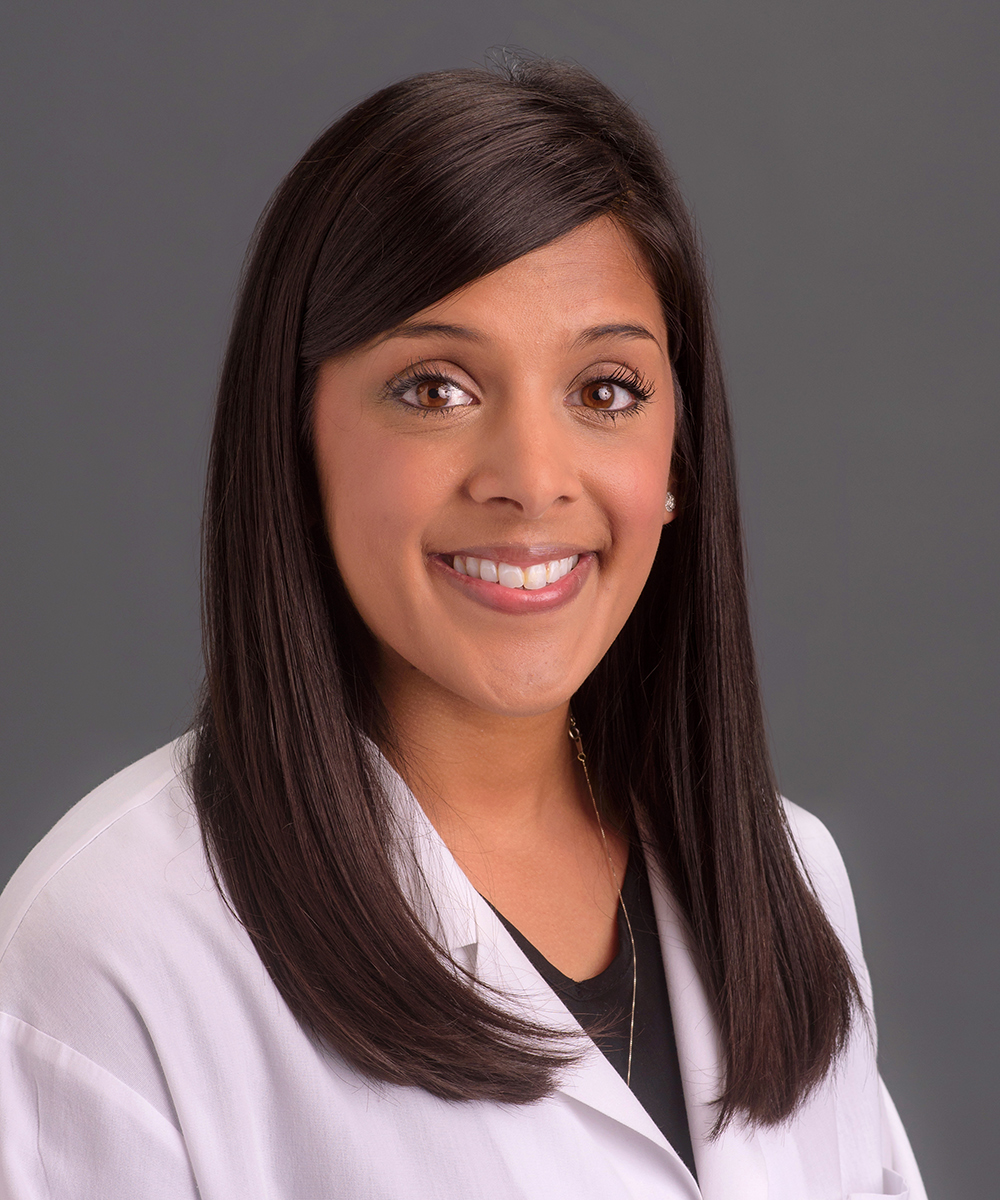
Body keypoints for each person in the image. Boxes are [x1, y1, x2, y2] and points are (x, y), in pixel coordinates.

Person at [0, 60, 926, 1199]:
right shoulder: (108, 954)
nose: (531, 479)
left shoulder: (787, 882)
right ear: (296, 439)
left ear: (677, 461)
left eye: (605, 390)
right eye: (436, 388)